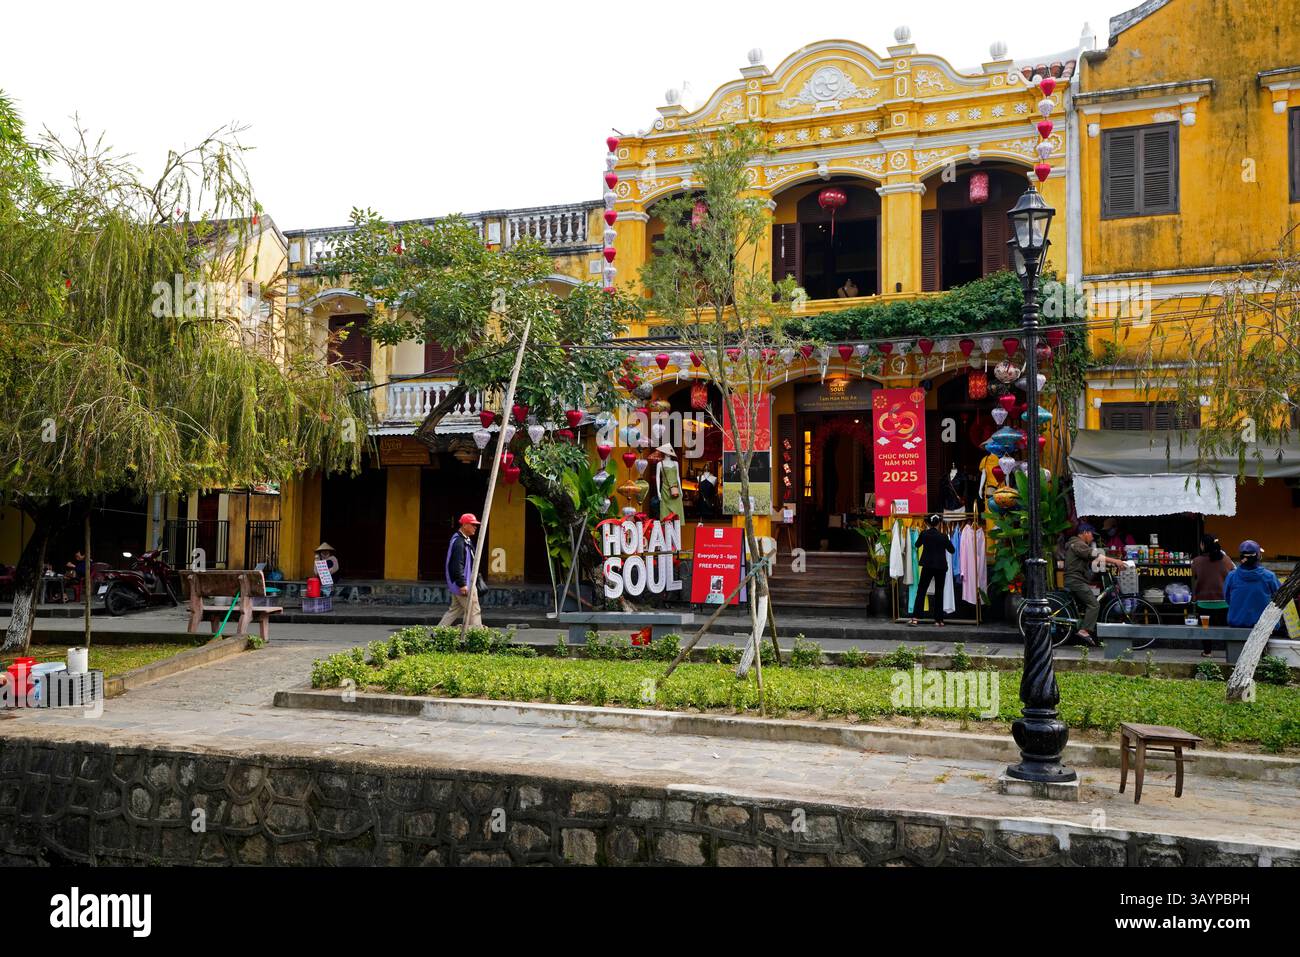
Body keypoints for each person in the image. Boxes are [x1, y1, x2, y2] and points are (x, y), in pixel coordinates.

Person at [1062, 522, 1129, 646]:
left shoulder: (1077, 544)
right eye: (1092, 534)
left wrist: (1110, 563)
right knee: (1094, 605)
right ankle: (1084, 630)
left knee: (1086, 604)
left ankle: (1083, 626)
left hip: (1077, 580)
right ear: (1085, 533)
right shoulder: (1078, 544)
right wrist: (1116, 561)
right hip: (1075, 581)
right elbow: (1095, 555)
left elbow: (1095, 559)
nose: (1092, 537)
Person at [1192, 533, 1234, 657]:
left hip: (1204, 603)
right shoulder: (1227, 560)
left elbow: (1194, 577)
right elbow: (1233, 573)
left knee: (1205, 629)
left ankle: (1207, 652)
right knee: (1227, 628)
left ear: (1204, 545)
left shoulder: (1196, 561)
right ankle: (1229, 652)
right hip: (1224, 602)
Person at [1224, 540, 1281, 632]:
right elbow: (1280, 599)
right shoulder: (1269, 577)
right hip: (1264, 627)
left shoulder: (1231, 576)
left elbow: (1227, 599)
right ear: (1259, 557)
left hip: (1236, 624)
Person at [909, 515, 955, 627]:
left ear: (928, 523)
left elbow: (916, 545)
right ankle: (939, 620)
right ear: (938, 523)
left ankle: (915, 618)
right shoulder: (943, 536)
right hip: (940, 566)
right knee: (939, 592)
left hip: (927, 566)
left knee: (921, 591)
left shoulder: (924, 534)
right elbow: (952, 550)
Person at [440, 513, 482, 628]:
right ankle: (477, 636)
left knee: (455, 609)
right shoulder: (459, 542)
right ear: (465, 525)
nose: (475, 527)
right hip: (464, 583)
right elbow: (456, 564)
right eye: (473, 525)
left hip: (462, 581)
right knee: (474, 610)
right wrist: (462, 584)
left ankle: (437, 633)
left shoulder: (464, 539)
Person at [653, 444, 683, 521]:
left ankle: (676, 531)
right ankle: (665, 530)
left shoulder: (675, 463)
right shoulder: (659, 464)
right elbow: (657, 478)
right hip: (665, 490)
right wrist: (658, 492)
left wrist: (681, 489)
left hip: (675, 490)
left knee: (677, 513)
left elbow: (678, 477)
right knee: (665, 512)